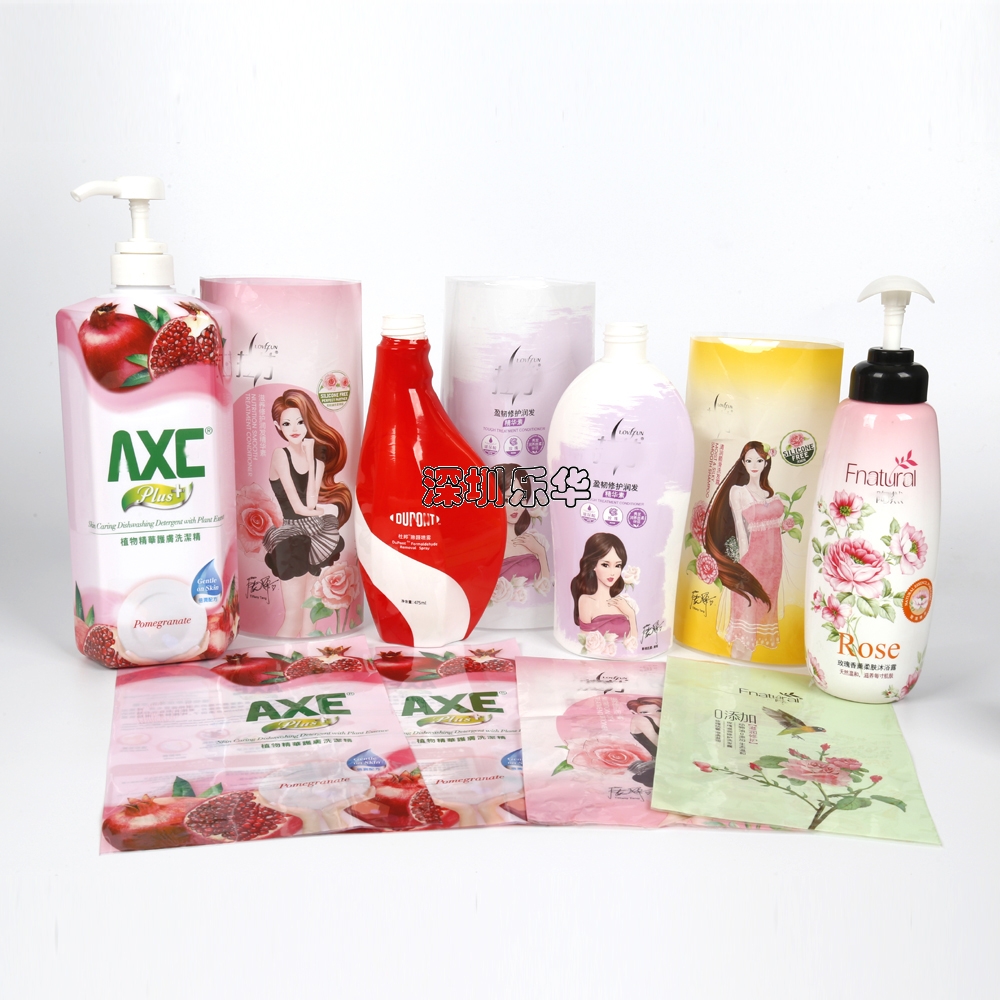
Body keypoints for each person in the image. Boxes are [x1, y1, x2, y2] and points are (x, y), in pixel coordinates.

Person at [262, 390, 352, 637]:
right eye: (287, 423)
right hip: (291, 536)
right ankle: (281, 656)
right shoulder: (280, 455)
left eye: (300, 422)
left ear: (308, 422)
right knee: (293, 616)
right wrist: (317, 510)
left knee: (309, 615)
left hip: (315, 534)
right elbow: (299, 507)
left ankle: (309, 657)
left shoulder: (317, 462)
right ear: (277, 426)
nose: (294, 429)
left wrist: (312, 462)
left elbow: (311, 500)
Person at [704, 440, 783, 659]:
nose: (754, 465)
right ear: (743, 463)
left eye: (758, 460)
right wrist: (742, 559)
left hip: (773, 563)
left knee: (763, 610)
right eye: (749, 461)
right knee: (747, 612)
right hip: (751, 559)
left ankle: (744, 664)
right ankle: (737, 662)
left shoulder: (771, 494)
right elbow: (740, 527)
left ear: (766, 462)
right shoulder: (738, 492)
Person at [570, 532, 637, 643]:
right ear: (593, 565)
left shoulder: (624, 603)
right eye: (605, 565)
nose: (612, 572)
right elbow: (585, 643)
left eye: (617, 565)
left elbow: (633, 643)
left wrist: (631, 615)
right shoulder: (586, 601)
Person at [497, 464, 549, 586]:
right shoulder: (488, 546)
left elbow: (545, 588)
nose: (516, 506)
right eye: (507, 499)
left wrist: (541, 553)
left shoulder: (533, 541)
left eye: (522, 498)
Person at [627, 696, 661, 787]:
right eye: (644, 712)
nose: (654, 714)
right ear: (634, 713)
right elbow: (661, 745)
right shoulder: (640, 719)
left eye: (659, 710)